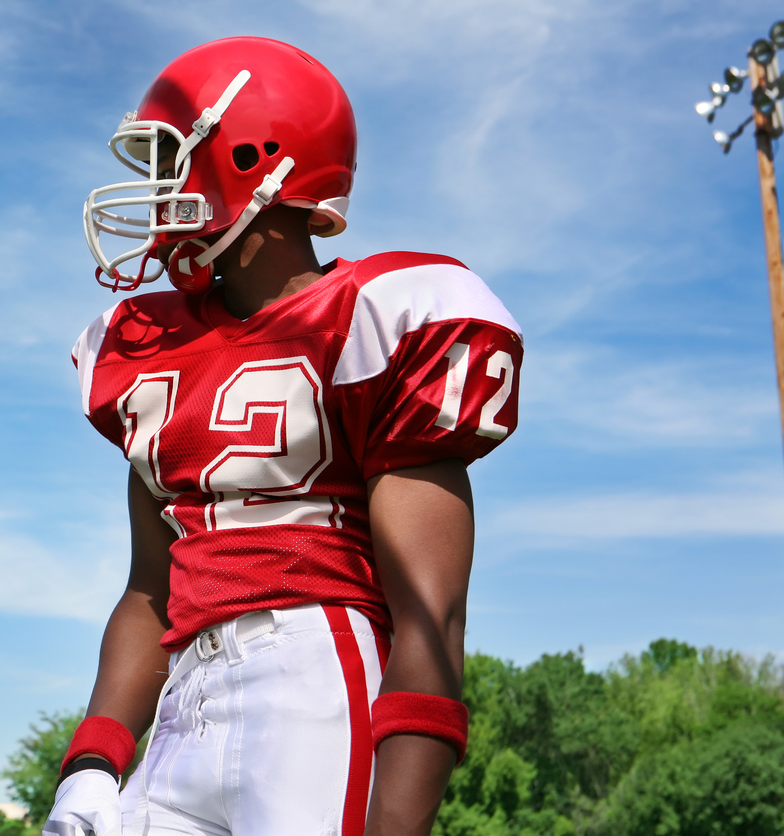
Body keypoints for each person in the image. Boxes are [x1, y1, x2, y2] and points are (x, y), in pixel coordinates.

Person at [47, 37, 523, 836]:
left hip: (312, 682)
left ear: (251, 156)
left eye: (171, 164)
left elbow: (431, 618)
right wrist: (92, 761)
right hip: (182, 705)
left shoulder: (380, 316)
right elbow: (149, 591)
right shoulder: (145, 346)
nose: (159, 195)